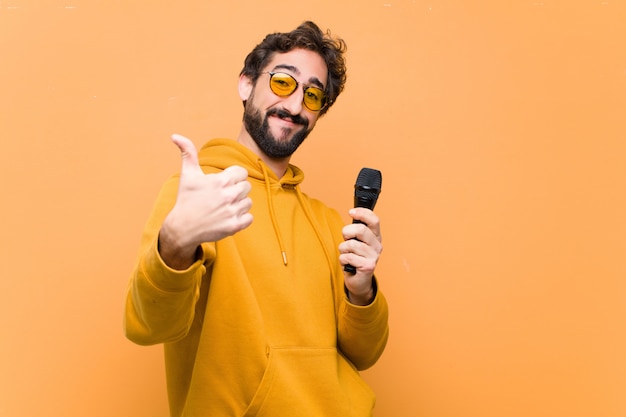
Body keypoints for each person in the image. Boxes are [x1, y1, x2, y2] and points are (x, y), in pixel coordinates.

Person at [124, 21, 389, 417]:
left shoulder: (332, 223)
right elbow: (147, 327)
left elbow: (364, 354)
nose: (296, 106)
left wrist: (362, 291)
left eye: (313, 96)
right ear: (246, 84)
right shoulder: (202, 197)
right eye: (284, 83)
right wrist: (176, 245)